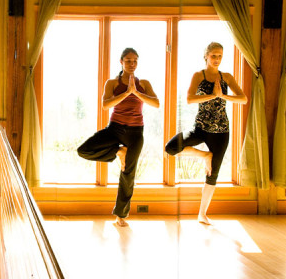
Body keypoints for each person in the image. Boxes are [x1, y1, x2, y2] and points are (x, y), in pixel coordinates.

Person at [165, 41, 247, 225]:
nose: (217, 59)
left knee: (212, 175)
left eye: (220, 56)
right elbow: (189, 98)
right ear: (206, 56)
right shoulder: (198, 76)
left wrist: (223, 96)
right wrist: (213, 95)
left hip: (221, 131)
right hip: (200, 128)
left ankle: (202, 214)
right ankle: (204, 155)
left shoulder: (226, 77)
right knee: (171, 147)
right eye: (213, 56)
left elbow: (243, 98)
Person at [77, 47, 159, 226]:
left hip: (136, 132)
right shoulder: (112, 83)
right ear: (121, 62)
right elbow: (106, 105)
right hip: (115, 129)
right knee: (83, 150)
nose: (132, 64)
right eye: (128, 60)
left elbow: (156, 103)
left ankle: (120, 215)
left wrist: (136, 92)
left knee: (128, 174)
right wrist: (126, 93)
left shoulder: (143, 83)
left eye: (135, 60)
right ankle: (118, 152)